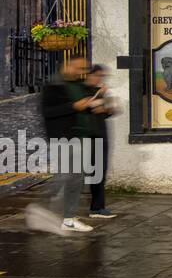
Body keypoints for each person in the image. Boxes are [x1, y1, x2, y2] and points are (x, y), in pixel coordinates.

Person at [25, 56, 98, 234]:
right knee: (66, 176)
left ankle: (68, 218)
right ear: (68, 65)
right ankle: (41, 207)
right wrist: (74, 106)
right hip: (64, 138)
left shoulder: (79, 85)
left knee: (76, 177)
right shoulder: (53, 86)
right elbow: (47, 112)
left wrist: (93, 105)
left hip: (80, 136)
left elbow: (82, 107)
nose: (82, 72)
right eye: (79, 68)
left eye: (85, 69)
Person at [82, 64, 119, 219]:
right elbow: (83, 107)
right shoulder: (83, 91)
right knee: (91, 172)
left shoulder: (101, 92)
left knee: (100, 172)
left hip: (101, 135)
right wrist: (98, 98)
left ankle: (97, 207)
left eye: (102, 76)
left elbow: (112, 110)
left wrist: (105, 107)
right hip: (88, 137)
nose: (99, 79)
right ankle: (95, 207)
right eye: (97, 76)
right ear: (89, 75)